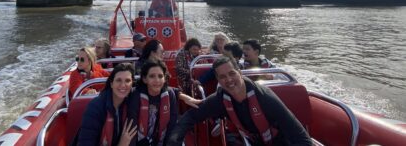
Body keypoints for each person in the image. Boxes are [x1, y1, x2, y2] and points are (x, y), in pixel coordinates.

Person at [167, 56, 312, 146]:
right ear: (218, 80)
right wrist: (174, 141)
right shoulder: (220, 99)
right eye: (223, 77)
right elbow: (191, 116)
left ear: (240, 73)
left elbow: (302, 139)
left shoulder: (265, 99)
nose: (229, 80)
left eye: (232, 74)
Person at [128, 59, 202, 146]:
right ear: (144, 79)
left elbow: (172, 126)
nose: (157, 80)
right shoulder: (135, 95)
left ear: (164, 79)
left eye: (160, 76)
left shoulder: (170, 95)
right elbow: (131, 129)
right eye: (152, 76)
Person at [77, 63, 137, 146]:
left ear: (132, 84)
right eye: (118, 80)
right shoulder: (95, 108)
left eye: (127, 81)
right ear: (111, 84)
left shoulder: (132, 104)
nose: (123, 85)